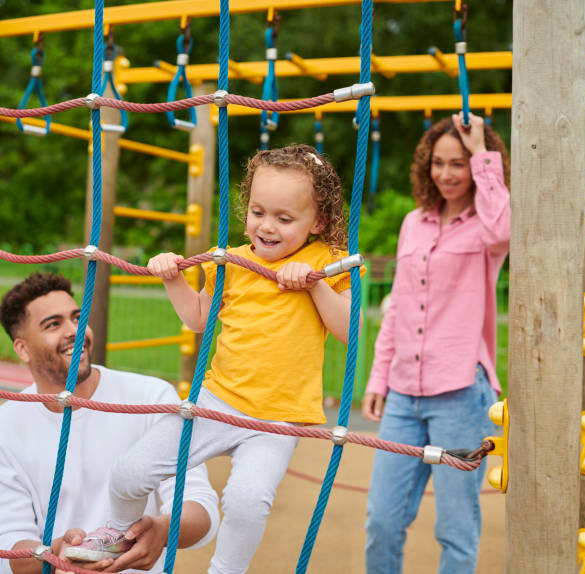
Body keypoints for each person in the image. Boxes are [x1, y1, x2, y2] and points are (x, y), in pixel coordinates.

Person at [67, 144, 364, 574]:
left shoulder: (328, 264)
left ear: (317, 221)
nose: (267, 226)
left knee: (246, 501)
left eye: (284, 218)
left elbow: (349, 331)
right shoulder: (233, 261)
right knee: (129, 472)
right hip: (216, 401)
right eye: (258, 211)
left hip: (279, 418)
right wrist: (172, 279)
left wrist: (314, 285)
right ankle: (117, 529)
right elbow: (199, 318)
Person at [362, 112, 510, 574]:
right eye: (438, 163)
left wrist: (482, 150)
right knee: (382, 521)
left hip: (461, 394)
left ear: (476, 168)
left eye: (458, 164)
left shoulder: (487, 228)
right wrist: (379, 377)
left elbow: (503, 230)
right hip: (404, 395)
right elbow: (400, 306)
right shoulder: (413, 223)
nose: (446, 174)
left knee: (456, 529)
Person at [0, 272, 220, 574]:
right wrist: (53, 555)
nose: (74, 331)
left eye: (77, 318)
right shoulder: (7, 425)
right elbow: (10, 544)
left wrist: (161, 530)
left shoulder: (150, 397)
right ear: (22, 349)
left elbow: (200, 507)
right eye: (53, 324)